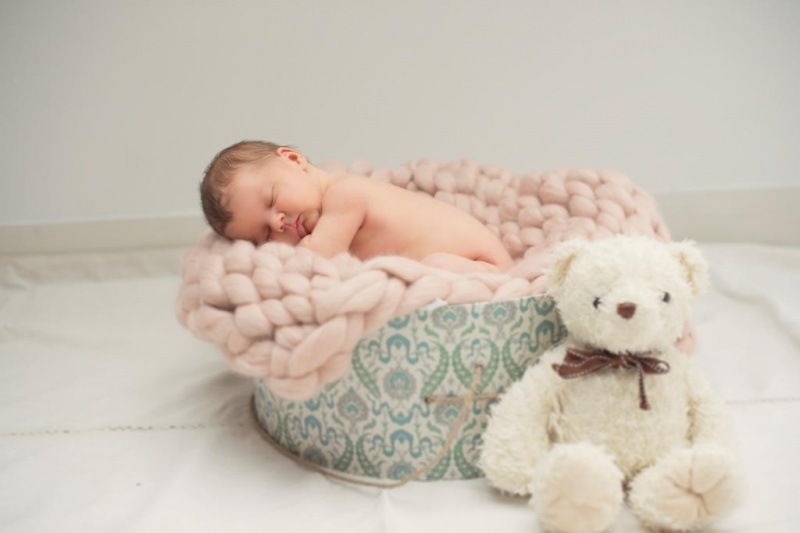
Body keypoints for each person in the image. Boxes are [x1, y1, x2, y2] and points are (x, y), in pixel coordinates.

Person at [200, 141, 514, 272]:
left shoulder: (345, 195)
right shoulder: (333, 205)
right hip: (468, 264)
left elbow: (313, 260)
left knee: (436, 267)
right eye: (265, 236)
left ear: (293, 159)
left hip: (484, 265)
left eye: (271, 200)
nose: (277, 222)